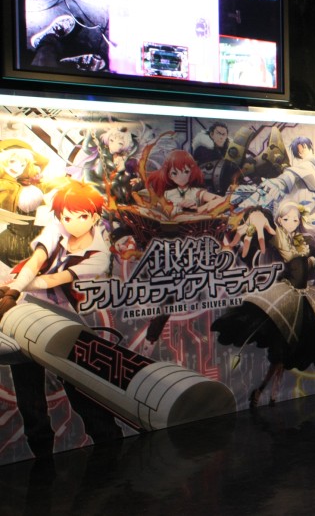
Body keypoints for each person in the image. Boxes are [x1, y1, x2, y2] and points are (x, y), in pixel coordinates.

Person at [0, 179, 122, 457]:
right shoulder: (57, 228)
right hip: (23, 316)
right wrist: (14, 289)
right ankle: (42, 459)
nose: (73, 223)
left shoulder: (99, 254)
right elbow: (37, 259)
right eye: (66, 217)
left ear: (94, 216)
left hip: (61, 323)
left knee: (84, 396)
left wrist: (15, 287)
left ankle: (111, 452)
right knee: (31, 402)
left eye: (82, 216)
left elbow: (52, 280)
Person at [211, 201, 315, 406]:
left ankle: (271, 393)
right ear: (279, 220)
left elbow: (308, 263)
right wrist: (258, 215)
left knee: (287, 353)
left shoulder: (300, 242)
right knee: (280, 350)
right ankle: (265, 391)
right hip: (286, 296)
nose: (292, 223)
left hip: (304, 298)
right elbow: (268, 228)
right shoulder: (279, 236)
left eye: (295, 219)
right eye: (287, 219)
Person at [145, 148, 226, 218]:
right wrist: (179, 208)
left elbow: (222, 201)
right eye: (174, 173)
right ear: (169, 176)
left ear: (192, 172)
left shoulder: (196, 192)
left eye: (186, 172)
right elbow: (160, 211)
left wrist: (197, 210)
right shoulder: (167, 194)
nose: (181, 177)